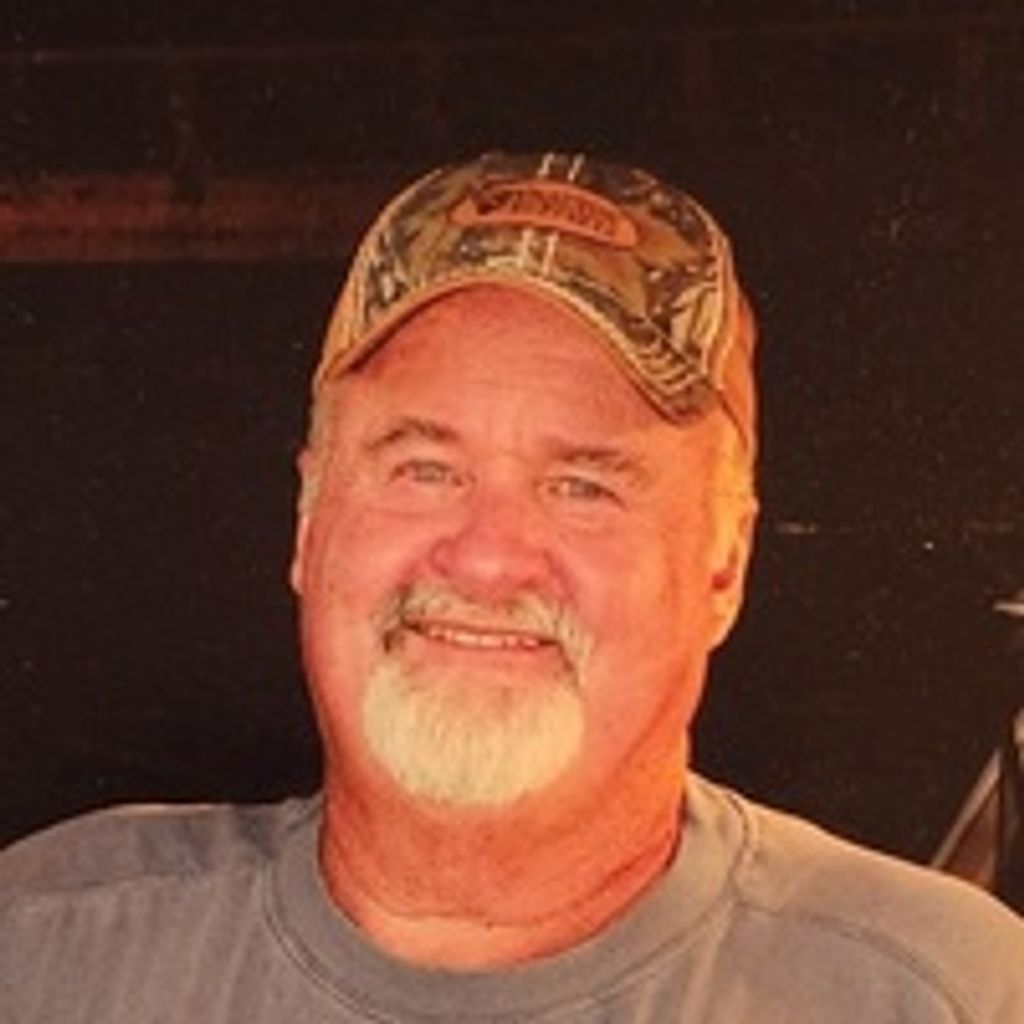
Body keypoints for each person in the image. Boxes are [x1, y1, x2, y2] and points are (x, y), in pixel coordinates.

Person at [2, 152, 1022, 1022]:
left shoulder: (946, 995)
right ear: (310, 524)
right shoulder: (45, 956)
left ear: (724, 564)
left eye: (583, 486)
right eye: (423, 468)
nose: (488, 558)